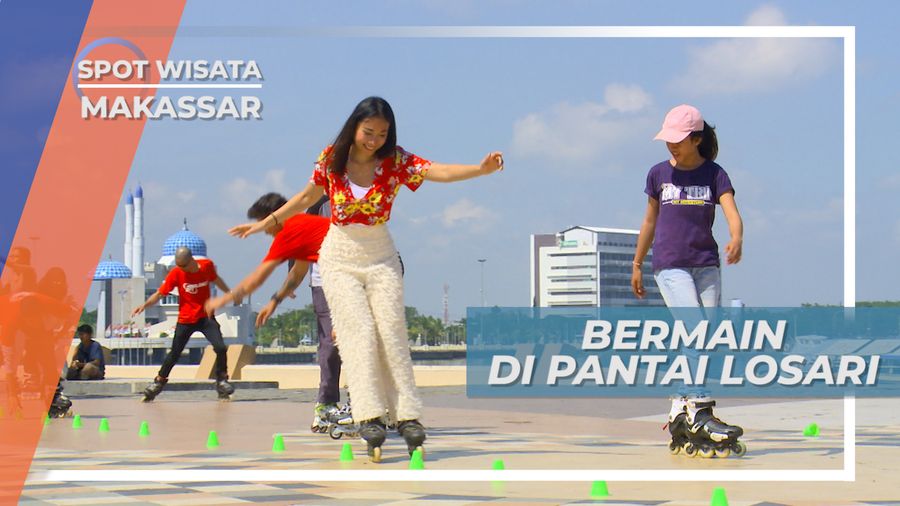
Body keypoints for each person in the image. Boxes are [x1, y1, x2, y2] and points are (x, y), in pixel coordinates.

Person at [229, 96, 503, 462]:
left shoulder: (396, 161)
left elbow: (438, 171)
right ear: (354, 128)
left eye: (382, 134)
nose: (374, 140)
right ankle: (368, 415)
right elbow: (305, 196)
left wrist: (480, 170)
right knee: (356, 333)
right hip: (339, 256)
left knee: (391, 331)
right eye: (368, 132)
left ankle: (406, 415)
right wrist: (266, 223)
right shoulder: (332, 160)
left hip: (380, 254)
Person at [631, 104, 747, 458]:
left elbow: (731, 212)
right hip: (669, 266)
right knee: (696, 332)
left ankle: (680, 408)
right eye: (668, 140)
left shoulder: (715, 174)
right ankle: (699, 407)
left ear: (696, 139)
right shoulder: (658, 174)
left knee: (704, 337)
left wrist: (737, 237)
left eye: (678, 140)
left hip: (706, 265)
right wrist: (637, 263)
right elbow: (649, 221)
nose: (672, 146)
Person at [205, 193, 339, 428]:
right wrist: (275, 301)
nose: (266, 232)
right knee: (344, 344)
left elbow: (256, 279)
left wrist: (222, 299)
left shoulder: (290, 232)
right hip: (354, 278)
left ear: (274, 217)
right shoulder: (306, 224)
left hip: (350, 282)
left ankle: (336, 407)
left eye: (264, 224)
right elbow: (298, 272)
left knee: (336, 343)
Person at [132, 247, 237, 401]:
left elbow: (216, 279)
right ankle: (158, 382)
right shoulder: (176, 273)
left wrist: (229, 293)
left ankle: (222, 380)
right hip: (186, 320)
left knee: (220, 347)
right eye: (179, 266)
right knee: (175, 353)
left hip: (206, 317)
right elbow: (160, 294)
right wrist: (145, 305)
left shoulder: (207, 266)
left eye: (184, 266)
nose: (181, 269)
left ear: (192, 260)